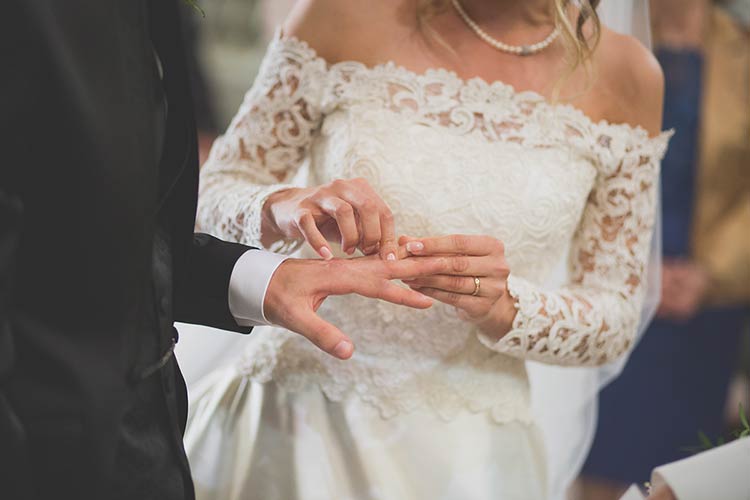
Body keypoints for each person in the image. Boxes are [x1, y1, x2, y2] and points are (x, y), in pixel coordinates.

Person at [184, 1, 670, 498]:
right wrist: (284, 206)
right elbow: (214, 189)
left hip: (472, 457)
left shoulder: (628, 75)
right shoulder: (340, 15)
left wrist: (508, 308)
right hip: (294, 425)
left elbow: (615, 314)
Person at [0, 1, 454, 498]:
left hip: (152, 439)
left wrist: (267, 279)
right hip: (48, 455)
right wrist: (277, 204)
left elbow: (112, 237)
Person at [581, 1, 750, 497]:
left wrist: (712, 272)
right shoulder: (597, 38)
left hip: (704, 296)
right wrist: (634, 273)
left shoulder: (741, 49)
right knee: (597, 460)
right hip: (610, 278)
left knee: (679, 471)